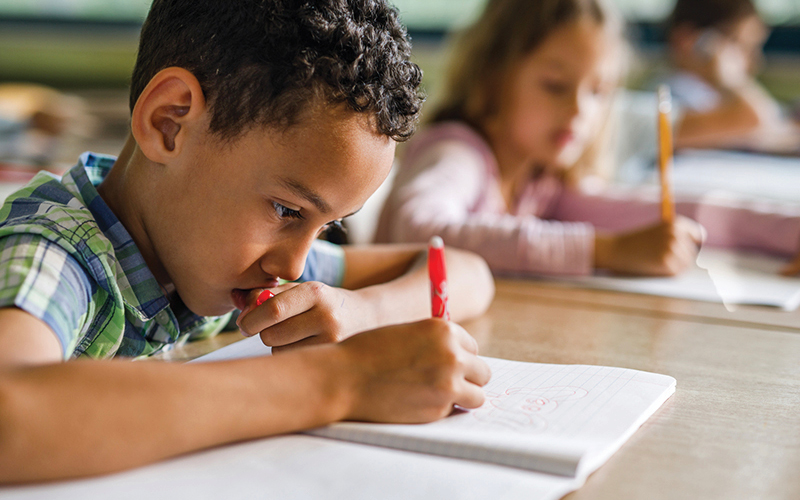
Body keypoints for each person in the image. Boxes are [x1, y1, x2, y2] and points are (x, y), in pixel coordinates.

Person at [0, 0, 496, 483]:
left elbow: (465, 272)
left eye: (328, 227)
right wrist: (343, 380)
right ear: (169, 123)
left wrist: (361, 312)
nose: (297, 266)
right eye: (287, 211)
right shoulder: (55, 248)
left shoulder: (197, 248)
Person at [375, 0, 800, 278]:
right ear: (493, 77)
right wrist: (605, 250)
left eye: (598, 91)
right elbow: (420, 230)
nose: (581, 111)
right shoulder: (457, 150)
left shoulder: (540, 180)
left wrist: (789, 232)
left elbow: (663, 214)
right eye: (556, 85)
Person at [663, 0, 800, 152]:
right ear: (688, 40)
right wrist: (729, 80)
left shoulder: (718, 96)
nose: (756, 62)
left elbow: (772, 124)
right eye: (742, 46)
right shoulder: (671, 97)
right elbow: (753, 118)